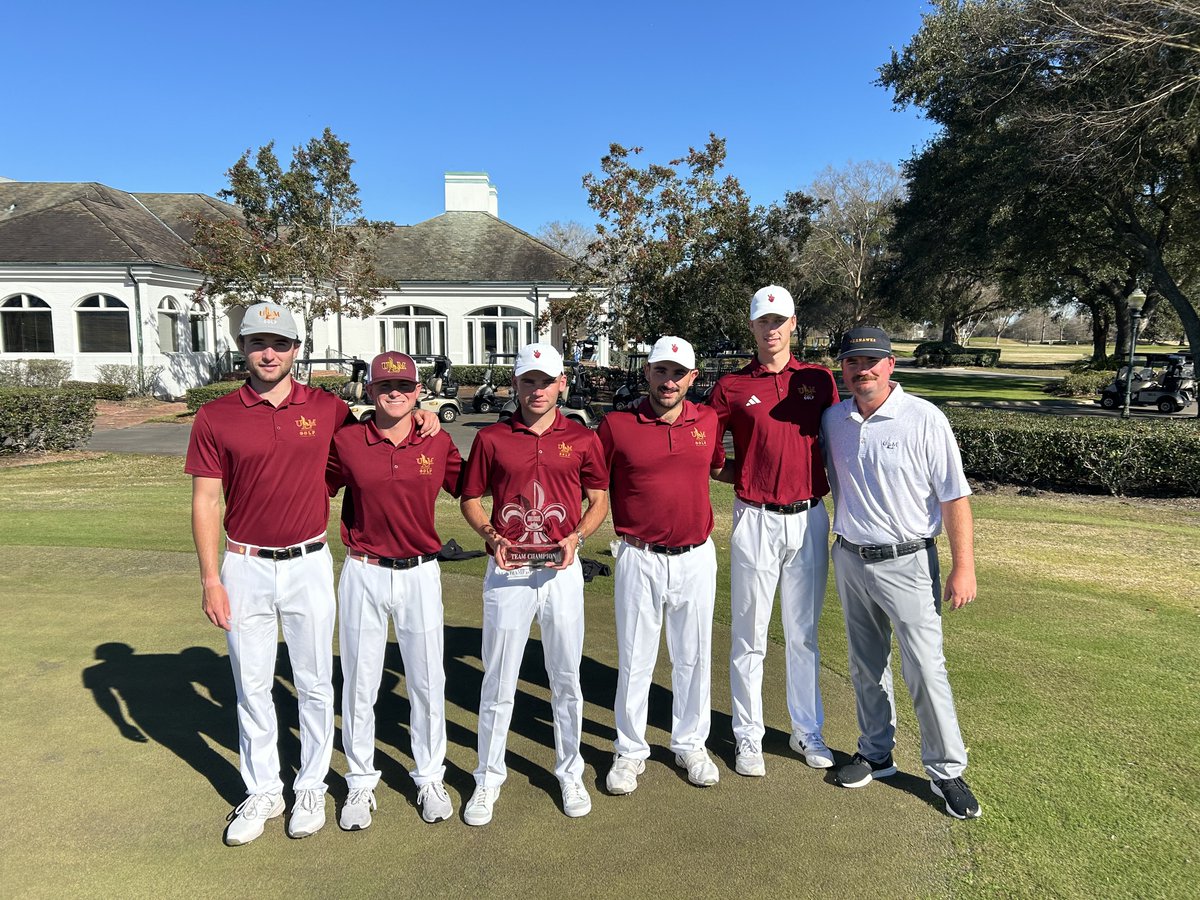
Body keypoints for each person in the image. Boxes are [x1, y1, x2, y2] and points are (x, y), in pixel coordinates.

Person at [186, 302, 438, 845]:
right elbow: (206, 501)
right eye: (257, 342)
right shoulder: (216, 415)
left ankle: (310, 785)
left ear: (296, 349)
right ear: (244, 348)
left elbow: (381, 430)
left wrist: (424, 415)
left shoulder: (326, 409)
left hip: (309, 562)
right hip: (244, 563)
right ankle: (263, 790)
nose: (268, 353)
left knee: (314, 682)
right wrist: (211, 578)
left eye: (278, 343)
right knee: (251, 683)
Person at [821, 326, 982, 819]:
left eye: (871, 361)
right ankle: (876, 752)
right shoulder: (835, 418)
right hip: (849, 556)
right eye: (851, 362)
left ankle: (946, 770)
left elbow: (954, 496)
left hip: (909, 560)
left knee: (925, 668)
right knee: (865, 664)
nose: (861, 370)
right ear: (842, 369)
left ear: (891, 365)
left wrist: (964, 566)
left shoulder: (924, 419)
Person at [458, 343, 609, 825]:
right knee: (498, 678)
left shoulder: (582, 436)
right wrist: (490, 535)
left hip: (561, 572)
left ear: (561, 383)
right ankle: (487, 776)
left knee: (565, 677)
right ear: (515, 384)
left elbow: (598, 500)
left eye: (546, 380)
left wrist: (577, 538)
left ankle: (570, 770)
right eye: (529, 381)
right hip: (508, 571)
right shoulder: (493, 438)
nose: (537, 390)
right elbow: (470, 499)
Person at [326, 351, 462, 831]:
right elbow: (313, 485)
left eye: (405, 385)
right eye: (385, 386)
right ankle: (360, 779)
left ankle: (429, 775)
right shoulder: (346, 441)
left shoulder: (438, 439)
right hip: (363, 569)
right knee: (361, 680)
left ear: (419, 390)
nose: (395, 393)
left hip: (420, 573)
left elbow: (471, 486)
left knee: (427, 680)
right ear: (370, 391)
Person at [708, 285, 839, 777]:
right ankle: (748, 736)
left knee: (803, 635)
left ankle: (807, 732)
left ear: (793, 324)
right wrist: (733, 474)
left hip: (808, 518)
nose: (772, 329)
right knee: (750, 634)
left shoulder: (819, 379)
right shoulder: (732, 386)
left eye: (779, 320)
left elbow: (837, 441)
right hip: (755, 518)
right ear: (753, 327)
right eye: (764, 321)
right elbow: (705, 441)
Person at [597, 336, 726, 794]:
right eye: (661, 371)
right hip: (638, 555)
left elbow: (714, 467)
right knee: (635, 659)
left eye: (678, 373)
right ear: (647, 373)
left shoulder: (707, 420)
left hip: (695, 555)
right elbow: (588, 481)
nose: (668, 381)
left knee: (693, 655)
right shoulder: (616, 425)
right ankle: (630, 750)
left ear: (692, 378)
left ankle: (690, 742)